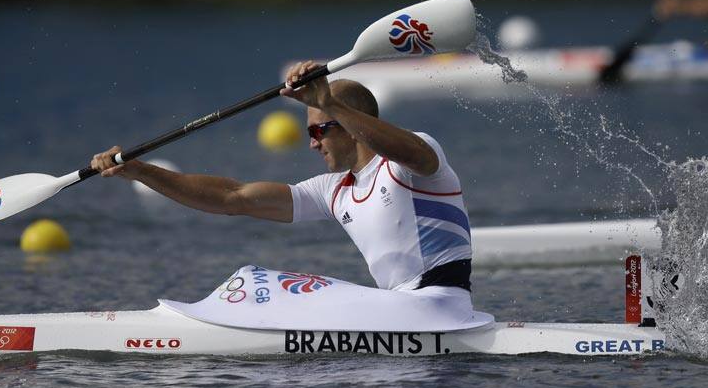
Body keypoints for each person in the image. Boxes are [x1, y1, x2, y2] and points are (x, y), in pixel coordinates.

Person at [90, 61, 474, 297]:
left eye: (317, 131)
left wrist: (330, 102)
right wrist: (140, 171)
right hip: (402, 308)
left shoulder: (411, 159)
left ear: (348, 126)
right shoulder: (334, 191)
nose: (311, 145)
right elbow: (232, 198)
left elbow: (411, 153)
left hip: (439, 301)